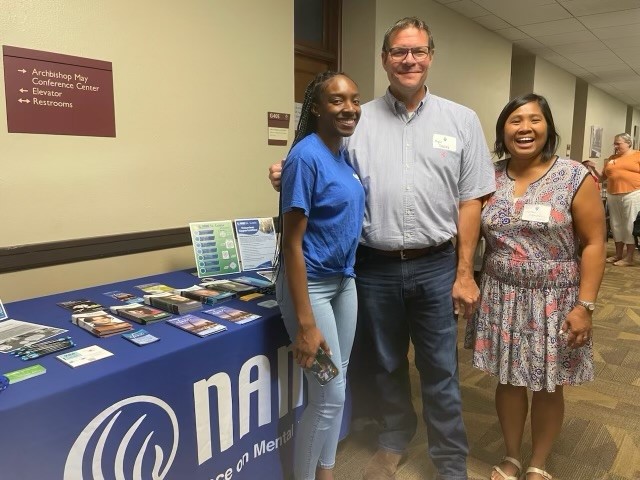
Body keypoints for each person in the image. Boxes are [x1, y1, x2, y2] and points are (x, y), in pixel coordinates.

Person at [270, 17, 495, 480]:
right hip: (373, 267)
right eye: (398, 52)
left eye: (417, 51)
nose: (408, 60)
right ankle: (395, 436)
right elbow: (322, 173)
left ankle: (449, 461)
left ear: (431, 55)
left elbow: (471, 200)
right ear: (385, 59)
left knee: (441, 369)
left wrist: (465, 271)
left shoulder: (461, 119)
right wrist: (286, 171)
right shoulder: (356, 119)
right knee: (387, 362)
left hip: (436, 264)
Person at [465, 94, 605, 480]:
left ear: (548, 128)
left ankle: (537, 463)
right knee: (508, 379)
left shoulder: (575, 176)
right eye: (514, 121)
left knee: (548, 382)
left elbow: (594, 243)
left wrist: (585, 305)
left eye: (534, 120)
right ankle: (511, 456)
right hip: (501, 293)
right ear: (502, 131)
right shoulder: (487, 177)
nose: (524, 128)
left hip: (555, 297)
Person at [275, 71, 364, 480]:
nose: (349, 108)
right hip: (310, 287)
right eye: (336, 100)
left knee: (336, 387)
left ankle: (325, 472)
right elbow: (291, 244)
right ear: (316, 108)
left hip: (344, 282)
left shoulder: (342, 154)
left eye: (354, 99)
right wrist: (306, 325)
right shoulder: (305, 156)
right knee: (329, 395)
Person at [583, 133, 640, 266]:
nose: (615, 146)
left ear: (628, 143)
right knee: (616, 225)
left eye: (618, 143)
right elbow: (603, 178)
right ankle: (618, 254)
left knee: (629, 224)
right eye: (614, 143)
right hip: (613, 194)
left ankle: (629, 257)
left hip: (632, 193)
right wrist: (593, 168)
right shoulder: (612, 158)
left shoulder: (637, 155)